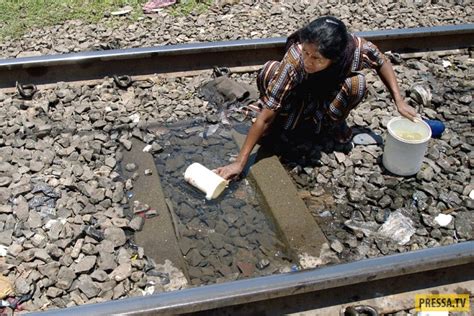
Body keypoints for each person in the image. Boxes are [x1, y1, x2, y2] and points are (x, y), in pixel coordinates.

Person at [215, 16, 417, 181]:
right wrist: (240, 163)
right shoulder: (295, 59)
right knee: (270, 71)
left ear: (334, 58)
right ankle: (285, 125)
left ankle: (329, 125)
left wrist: (398, 100)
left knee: (358, 84)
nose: (308, 62)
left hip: (325, 100)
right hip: (296, 100)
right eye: (306, 53)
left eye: (316, 59)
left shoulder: (355, 49)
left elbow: (381, 61)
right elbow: (266, 115)